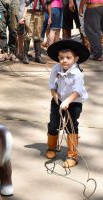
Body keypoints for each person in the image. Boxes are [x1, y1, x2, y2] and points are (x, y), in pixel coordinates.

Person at [45, 39, 90, 168]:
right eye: (61, 58)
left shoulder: (77, 74)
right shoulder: (56, 68)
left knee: (71, 125)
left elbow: (78, 91)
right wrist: (54, 94)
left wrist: (67, 101)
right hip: (58, 100)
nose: (64, 60)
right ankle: (52, 147)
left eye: (68, 58)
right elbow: (52, 84)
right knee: (53, 123)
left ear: (75, 59)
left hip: (74, 102)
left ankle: (72, 155)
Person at [22, 0, 52, 64]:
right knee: (28, 34)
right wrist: (23, 16)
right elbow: (26, 2)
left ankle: (38, 56)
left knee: (37, 35)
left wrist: (50, 16)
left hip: (40, 13)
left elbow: (49, 3)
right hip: (30, 13)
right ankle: (25, 55)